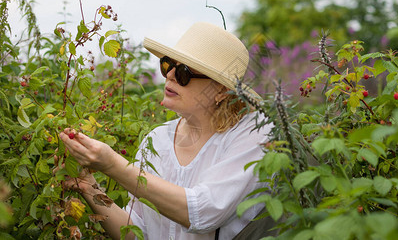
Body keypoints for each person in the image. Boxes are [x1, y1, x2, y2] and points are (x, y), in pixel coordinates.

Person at [60, 22, 272, 240]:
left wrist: (112, 164)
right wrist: (89, 188)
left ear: (221, 91)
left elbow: (204, 212)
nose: (170, 75)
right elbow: (135, 232)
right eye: (168, 65)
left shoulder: (252, 134)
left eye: (183, 72)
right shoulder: (157, 139)